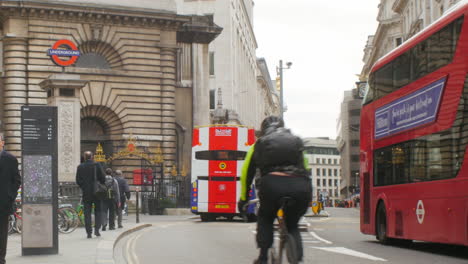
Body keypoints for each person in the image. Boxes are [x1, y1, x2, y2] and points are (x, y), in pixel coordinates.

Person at [238, 116, 312, 264]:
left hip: (272, 186)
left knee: (265, 217)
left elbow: (247, 172)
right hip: (300, 187)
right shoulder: (296, 140)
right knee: (292, 225)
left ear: (264, 130)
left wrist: (244, 199)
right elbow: (306, 167)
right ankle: (297, 259)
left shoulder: (259, 143)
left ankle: (263, 257)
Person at [0, 134, 21, 264]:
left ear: (2, 142)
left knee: (2, 232)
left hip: (3, 202)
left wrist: (10, 196)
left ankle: (1, 258)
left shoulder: (10, 159)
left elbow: (17, 180)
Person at [76, 151, 105, 238]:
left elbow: (78, 180)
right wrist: (99, 183)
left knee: (87, 212)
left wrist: (84, 186)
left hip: (86, 193)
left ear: (84, 157)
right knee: (98, 211)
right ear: (92, 157)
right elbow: (103, 178)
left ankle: (89, 232)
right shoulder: (97, 165)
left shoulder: (80, 167)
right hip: (97, 192)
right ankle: (97, 230)